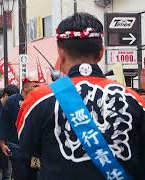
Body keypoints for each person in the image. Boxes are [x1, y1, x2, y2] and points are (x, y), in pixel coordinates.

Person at [17, 13, 145, 180]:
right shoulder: (134, 99)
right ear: (101, 53)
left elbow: (27, 148)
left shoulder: (38, 99)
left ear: (60, 53)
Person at [0, 77, 39, 180]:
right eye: (35, 86)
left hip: (35, 149)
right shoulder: (12, 101)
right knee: (20, 175)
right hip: (16, 146)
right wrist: (2, 143)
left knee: (35, 175)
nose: (38, 88)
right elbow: (3, 121)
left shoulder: (38, 101)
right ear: (25, 87)